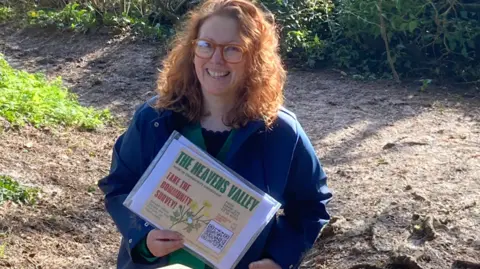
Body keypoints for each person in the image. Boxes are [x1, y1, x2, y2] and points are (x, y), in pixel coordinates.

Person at [97, 0, 333, 268]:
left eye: (233, 49)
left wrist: (279, 258)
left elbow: (311, 206)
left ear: (254, 58)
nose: (216, 59)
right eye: (206, 45)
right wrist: (142, 237)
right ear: (192, 49)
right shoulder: (153, 118)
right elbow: (119, 186)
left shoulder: (281, 132)